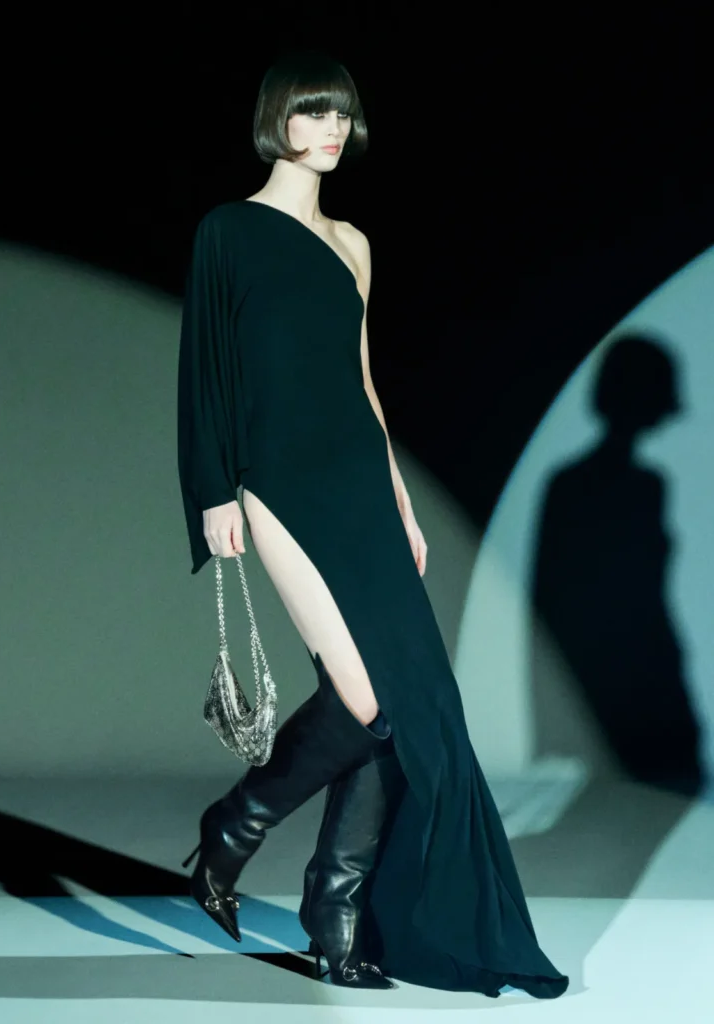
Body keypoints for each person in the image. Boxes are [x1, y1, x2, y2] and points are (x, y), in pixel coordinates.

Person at [177, 49, 569, 998]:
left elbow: (359, 381)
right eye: (312, 113)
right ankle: (231, 830)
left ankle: (335, 913)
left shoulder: (352, 242)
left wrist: (398, 494)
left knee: (403, 707)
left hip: (358, 483)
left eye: (341, 114)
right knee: (361, 698)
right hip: (275, 481)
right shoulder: (228, 230)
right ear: (276, 121)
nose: (331, 129)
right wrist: (213, 493)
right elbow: (204, 370)